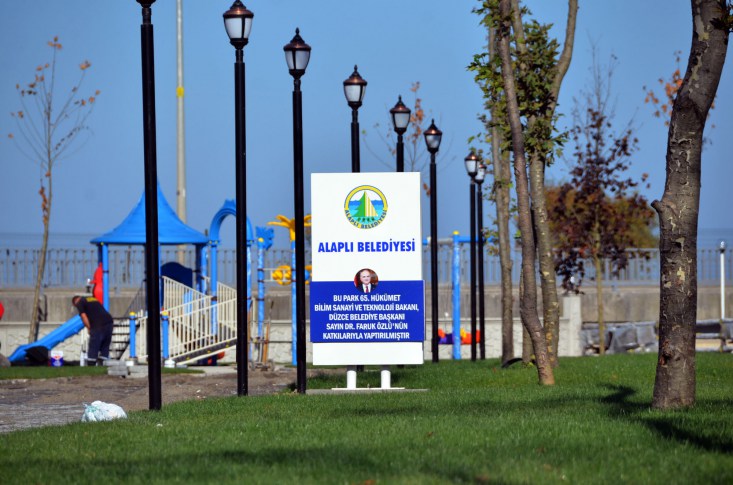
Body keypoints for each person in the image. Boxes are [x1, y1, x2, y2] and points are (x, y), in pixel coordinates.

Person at [72, 295, 114, 366]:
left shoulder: (80, 302)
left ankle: (91, 364)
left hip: (97, 324)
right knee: (105, 345)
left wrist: (89, 328)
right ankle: (103, 364)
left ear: (75, 303)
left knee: (94, 345)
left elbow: (83, 316)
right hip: (109, 321)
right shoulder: (92, 299)